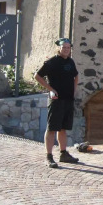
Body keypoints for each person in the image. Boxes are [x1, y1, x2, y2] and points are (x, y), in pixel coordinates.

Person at [34, 38, 80, 168]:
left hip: (68, 99)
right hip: (56, 100)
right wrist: (51, 89)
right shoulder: (52, 62)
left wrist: (74, 90)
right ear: (59, 48)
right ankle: (48, 156)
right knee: (52, 128)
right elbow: (37, 76)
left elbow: (76, 76)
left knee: (63, 128)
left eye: (68, 47)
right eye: (64, 47)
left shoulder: (70, 62)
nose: (66, 49)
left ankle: (63, 153)